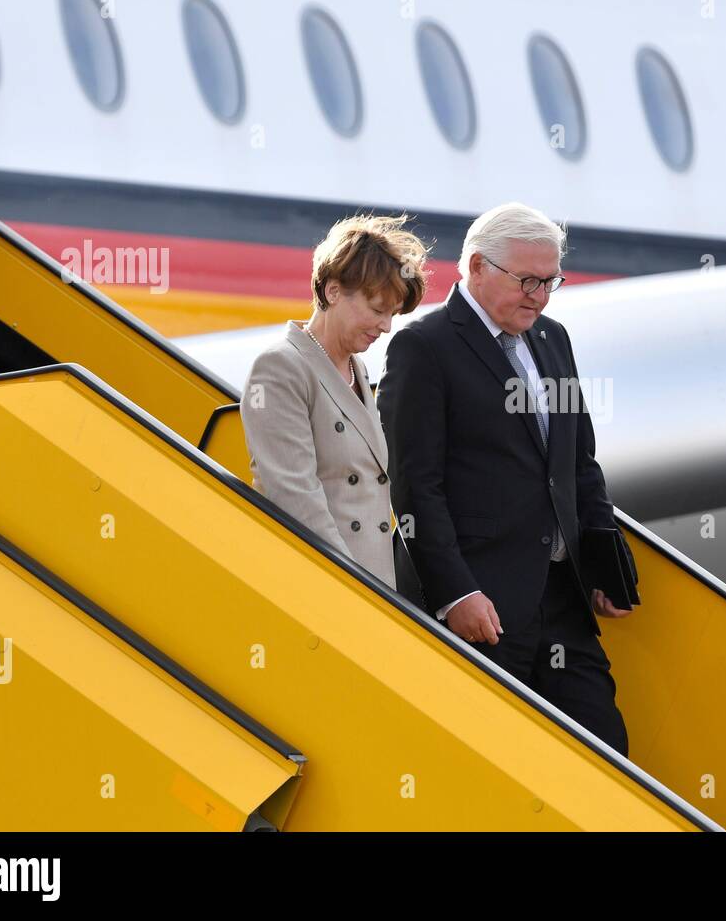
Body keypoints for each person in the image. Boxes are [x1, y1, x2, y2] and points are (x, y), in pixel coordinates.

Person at [378, 202, 632, 755]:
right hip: (482, 604)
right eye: (527, 281)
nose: (539, 297)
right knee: (496, 759)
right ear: (475, 267)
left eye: (550, 282)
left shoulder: (553, 339)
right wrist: (455, 594)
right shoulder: (424, 348)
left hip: (562, 597)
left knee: (606, 751)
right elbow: (416, 487)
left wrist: (604, 562)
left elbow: (578, 460)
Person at [241, 214, 428, 588]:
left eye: (392, 314)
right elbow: (295, 496)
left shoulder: (357, 368)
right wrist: (353, 588)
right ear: (333, 291)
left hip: (374, 586)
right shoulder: (280, 367)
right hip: (325, 587)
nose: (387, 326)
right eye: (378, 310)